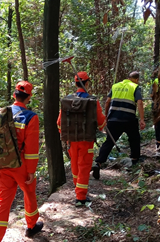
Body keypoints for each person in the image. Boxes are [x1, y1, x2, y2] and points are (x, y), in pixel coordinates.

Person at [0, 81, 43, 242]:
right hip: (21, 165)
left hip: (3, 164)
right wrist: (31, 170)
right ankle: (31, 226)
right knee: (29, 193)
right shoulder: (31, 117)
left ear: (14, 95)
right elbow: (31, 148)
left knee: (3, 200)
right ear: (29, 97)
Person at [57, 72, 106, 207]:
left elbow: (59, 123)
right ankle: (81, 197)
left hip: (71, 140)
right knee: (84, 166)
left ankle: (77, 189)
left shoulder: (67, 100)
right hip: (87, 140)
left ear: (76, 83)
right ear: (87, 83)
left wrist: (66, 136)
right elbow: (101, 122)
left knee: (75, 165)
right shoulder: (92, 101)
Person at [92, 71, 145, 178]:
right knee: (134, 139)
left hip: (114, 119)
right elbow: (139, 102)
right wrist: (142, 119)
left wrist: (106, 115)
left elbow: (107, 101)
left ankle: (98, 162)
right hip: (129, 119)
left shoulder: (115, 86)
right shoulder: (135, 87)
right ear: (136, 79)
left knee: (109, 142)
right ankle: (134, 159)